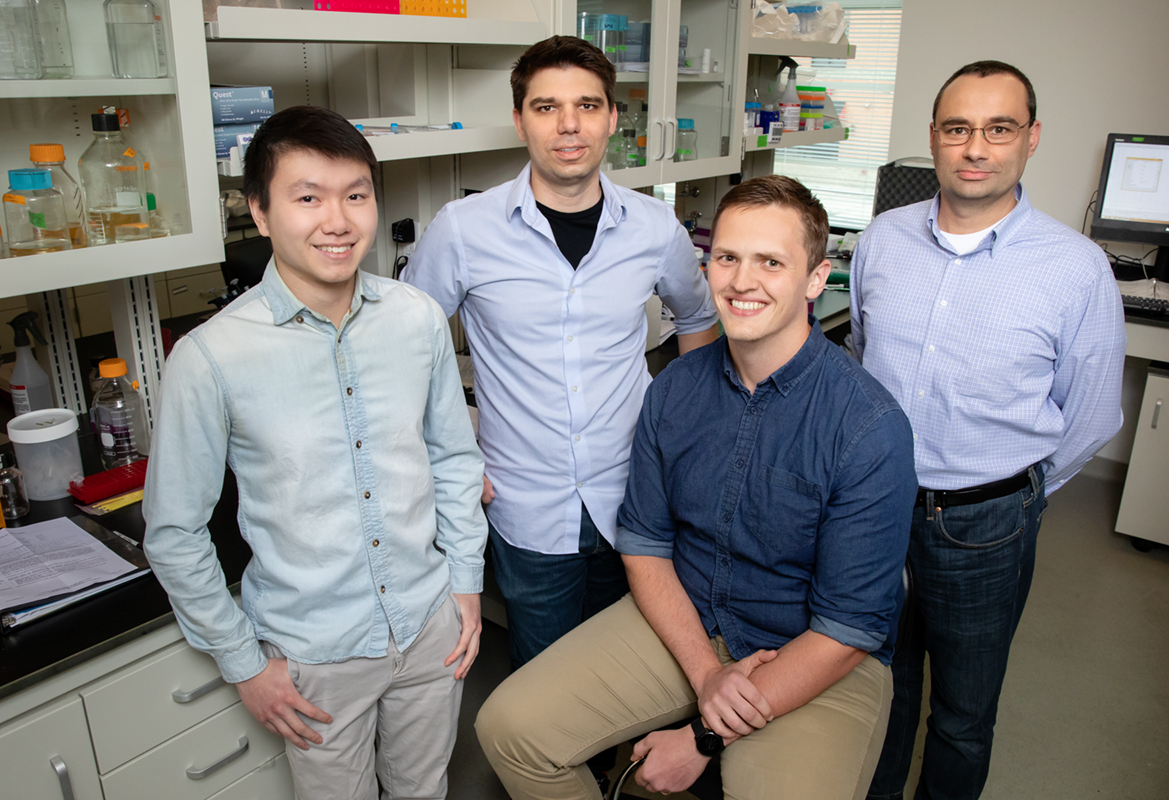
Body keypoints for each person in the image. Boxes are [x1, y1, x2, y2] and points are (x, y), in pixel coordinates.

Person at [475, 175, 918, 800]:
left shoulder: (868, 427)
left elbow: (847, 628)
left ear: (816, 279)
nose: (742, 281)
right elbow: (646, 545)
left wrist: (704, 737)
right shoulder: (675, 389)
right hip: (690, 619)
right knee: (510, 729)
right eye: (728, 258)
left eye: (771, 262)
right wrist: (708, 674)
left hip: (813, 651)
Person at [142, 105, 488, 800]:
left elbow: (452, 458)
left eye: (355, 195)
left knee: (425, 791)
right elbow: (175, 532)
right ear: (261, 213)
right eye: (308, 198)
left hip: (430, 627)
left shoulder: (415, 317)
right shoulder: (212, 357)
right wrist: (243, 664)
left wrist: (465, 586)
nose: (338, 220)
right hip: (315, 657)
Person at [852, 62, 1126, 800]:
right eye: (958, 128)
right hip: (873, 512)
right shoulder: (881, 239)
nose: (977, 147)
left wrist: (1020, 494)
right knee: (878, 689)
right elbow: (860, 362)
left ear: (1030, 139)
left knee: (963, 714)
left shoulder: (1076, 268)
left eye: (999, 128)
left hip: (987, 524)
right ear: (934, 139)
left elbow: (1092, 414)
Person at [402, 35, 718, 674]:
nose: (569, 125)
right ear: (519, 120)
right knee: (544, 688)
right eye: (547, 107)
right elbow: (403, 347)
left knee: (629, 678)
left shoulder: (656, 227)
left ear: (610, 119)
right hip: (525, 506)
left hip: (637, 499)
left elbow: (699, 317)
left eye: (587, 106)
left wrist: (685, 436)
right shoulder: (464, 230)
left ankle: (615, 778)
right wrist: (448, 453)